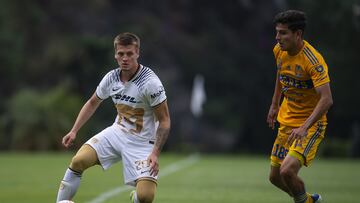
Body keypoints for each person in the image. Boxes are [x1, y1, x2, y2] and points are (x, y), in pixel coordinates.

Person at [56, 32, 171, 203]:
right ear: (115, 54)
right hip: (117, 133)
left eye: (129, 53)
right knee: (78, 161)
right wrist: (74, 130)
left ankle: (136, 197)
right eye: (121, 54)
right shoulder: (111, 78)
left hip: (143, 143)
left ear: (137, 53)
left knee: (146, 197)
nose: (125, 58)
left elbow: (165, 121)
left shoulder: (150, 83)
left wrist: (155, 153)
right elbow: (92, 102)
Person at [267, 10, 333, 203]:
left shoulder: (313, 60)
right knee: (275, 177)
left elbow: (327, 99)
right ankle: (309, 201)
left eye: (283, 33)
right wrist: (274, 104)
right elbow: (281, 76)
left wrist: (305, 127)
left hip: (310, 125)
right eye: (277, 32)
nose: (277, 37)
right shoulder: (279, 51)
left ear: (298, 34)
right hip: (287, 122)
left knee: (287, 171)